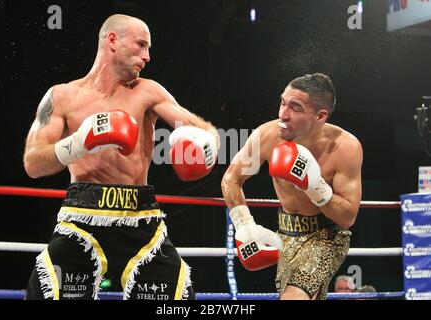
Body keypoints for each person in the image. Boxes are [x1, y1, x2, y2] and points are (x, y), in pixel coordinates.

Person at [23, 14, 219, 300]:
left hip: (140, 217)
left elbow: (202, 129)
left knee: (177, 299)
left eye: (148, 48)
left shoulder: (148, 92)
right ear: (113, 41)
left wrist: (206, 144)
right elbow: (32, 163)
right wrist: (79, 142)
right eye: (141, 45)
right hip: (81, 216)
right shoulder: (62, 96)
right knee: (46, 293)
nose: (147, 56)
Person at [221, 73, 363, 300]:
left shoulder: (346, 147)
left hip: (326, 235)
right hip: (285, 234)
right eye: (282, 103)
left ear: (320, 115)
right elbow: (231, 179)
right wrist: (244, 225)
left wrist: (315, 186)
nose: (282, 114)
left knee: (293, 297)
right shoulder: (267, 136)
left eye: (295, 108)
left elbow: (347, 217)